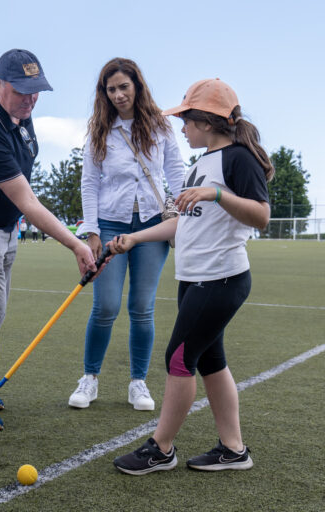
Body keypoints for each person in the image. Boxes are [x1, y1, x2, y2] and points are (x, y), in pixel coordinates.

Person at [111, 78, 273, 474]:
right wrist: (134, 237)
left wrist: (217, 195)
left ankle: (161, 448)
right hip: (193, 279)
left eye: (185, 119)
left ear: (206, 121)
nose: (181, 127)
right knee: (210, 361)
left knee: (178, 358)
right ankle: (233, 450)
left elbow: (262, 217)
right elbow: (179, 224)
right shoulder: (198, 166)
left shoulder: (238, 159)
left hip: (221, 280)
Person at [0, 49, 97, 431]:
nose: (30, 98)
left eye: (36, 90)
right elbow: (27, 200)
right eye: (21, 90)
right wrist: (77, 243)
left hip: (3, 225)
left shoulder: (21, 113)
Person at [70, 58, 185, 411]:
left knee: (141, 307)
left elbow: (176, 173)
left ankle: (138, 382)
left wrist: (184, 215)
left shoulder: (161, 125)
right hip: (110, 224)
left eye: (124, 87)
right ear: (103, 93)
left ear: (137, 85)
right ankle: (89, 379)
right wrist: (92, 232)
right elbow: (89, 184)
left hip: (152, 225)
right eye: (111, 89)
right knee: (105, 306)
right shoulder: (100, 130)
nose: (118, 95)